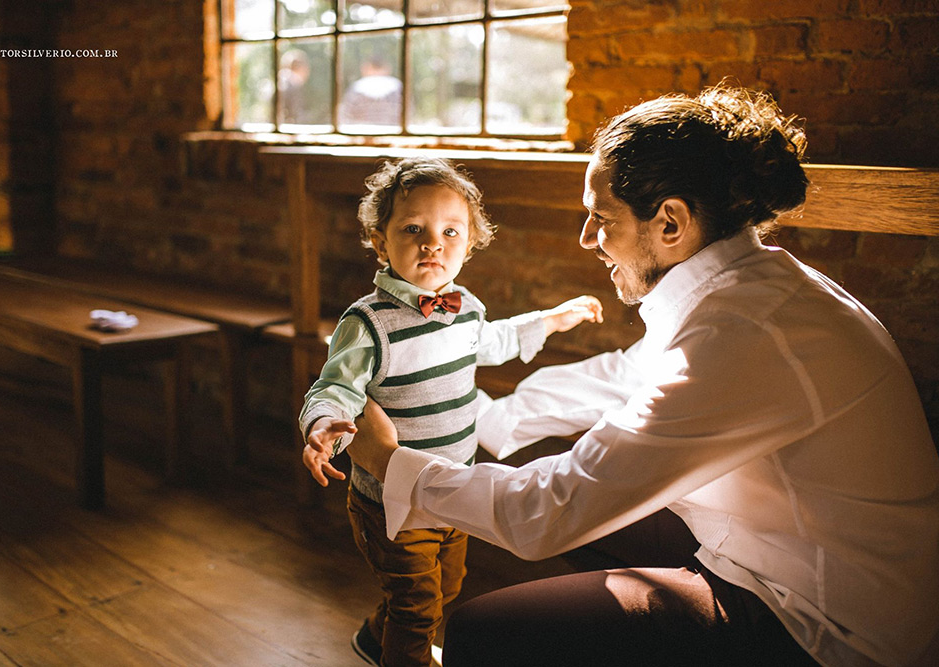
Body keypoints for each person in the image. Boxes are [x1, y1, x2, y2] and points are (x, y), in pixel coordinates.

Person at [346, 85, 939, 667]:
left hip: (825, 623)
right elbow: (624, 377)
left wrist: (394, 464)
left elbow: (550, 513)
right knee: (565, 478)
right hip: (776, 544)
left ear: (671, 223)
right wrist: (481, 421)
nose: (586, 239)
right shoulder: (747, 288)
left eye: (600, 218)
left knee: (481, 632)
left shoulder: (750, 333)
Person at [299, 156, 604, 667]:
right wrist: (323, 423)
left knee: (446, 585)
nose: (432, 243)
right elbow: (335, 386)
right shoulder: (369, 323)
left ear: (470, 243)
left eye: (450, 231)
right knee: (418, 607)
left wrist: (552, 319)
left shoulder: (464, 307)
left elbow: (495, 339)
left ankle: (377, 636)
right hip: (394, 501)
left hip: (454, 485)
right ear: (380, 241)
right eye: (413, 228)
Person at [338, 58, 403, 128]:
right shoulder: (398, 88)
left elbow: (345, 116)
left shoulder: (356, 88)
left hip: (363, 134)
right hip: (393, 134)